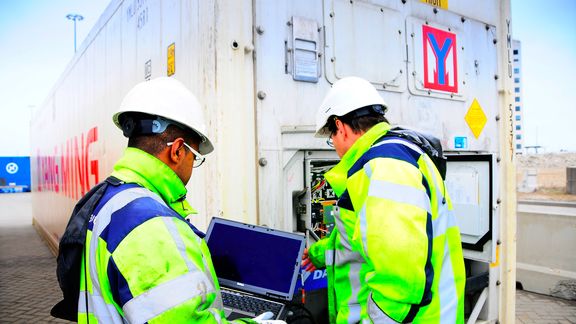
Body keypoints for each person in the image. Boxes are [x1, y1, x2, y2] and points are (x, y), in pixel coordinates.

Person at [76, 77, 280, 323]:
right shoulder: (150, 225)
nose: (193, 166)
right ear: (178, 150)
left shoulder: (112, 198)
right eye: (195, 157)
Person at [302, 76, 466, 323]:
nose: (333, 145)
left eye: (331, 137)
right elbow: (371, 240)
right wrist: (321, 253)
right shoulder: (393, 157)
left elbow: (398, 280)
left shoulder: (385, 167)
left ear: (341, 127)